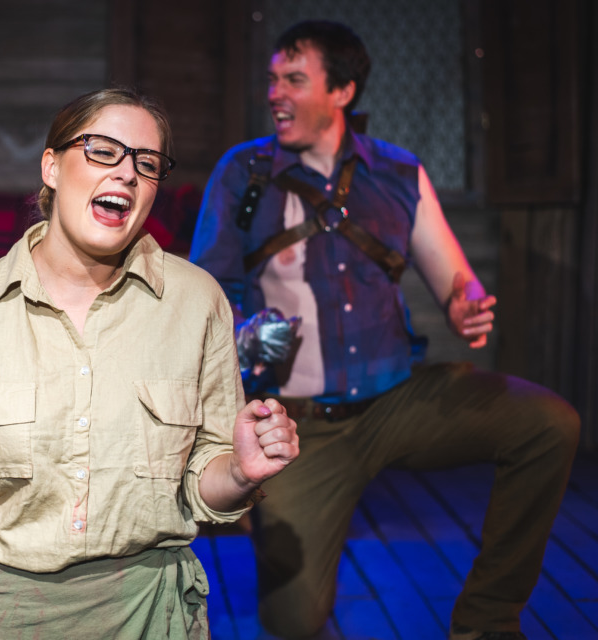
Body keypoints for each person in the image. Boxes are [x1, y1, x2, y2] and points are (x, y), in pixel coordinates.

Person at [0, 87, 300, 639]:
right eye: (103, 151)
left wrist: (237, 471)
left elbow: (203, 484)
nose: (128, 174)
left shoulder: (197, 301)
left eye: (147, 163)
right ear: (51, 167)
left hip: (148, 609)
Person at [189, 20, 580, 640]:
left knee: (548, 424)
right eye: (272, 80)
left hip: (396, 399)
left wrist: (466, 305)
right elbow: (202, 301)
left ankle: (488, 620)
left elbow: (456, 280)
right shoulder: (245, 174)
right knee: (292, 624)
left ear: (341, 91)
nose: (275, 93)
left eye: (294, 79)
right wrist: (242, 336)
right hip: (301, 426)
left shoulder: (398, 173)